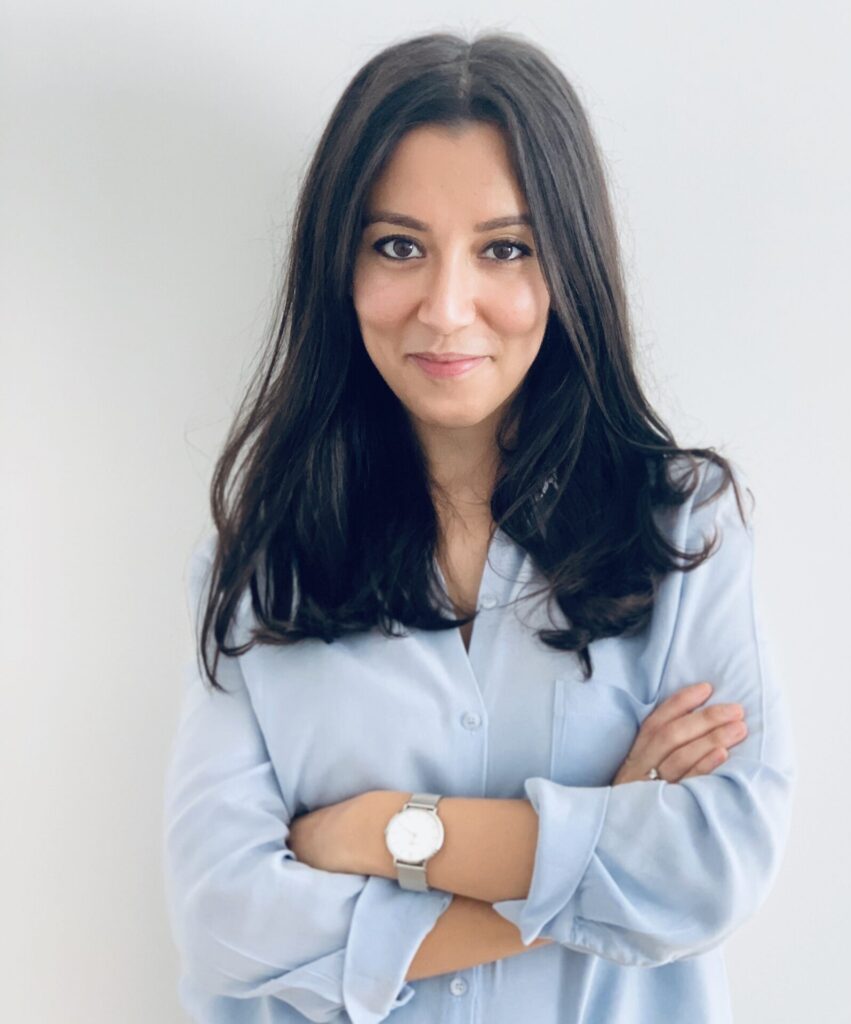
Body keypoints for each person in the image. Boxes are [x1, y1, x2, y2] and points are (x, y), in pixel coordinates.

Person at [161, 29, 797, 1024]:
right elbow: (224, 920)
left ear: (567, 265)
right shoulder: (260, 571)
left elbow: (713, 866)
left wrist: (384, 832)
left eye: (504, 249)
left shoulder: (680, 528)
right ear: (340, 266)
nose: (447, 308)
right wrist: (598, 841)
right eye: (398, 247)